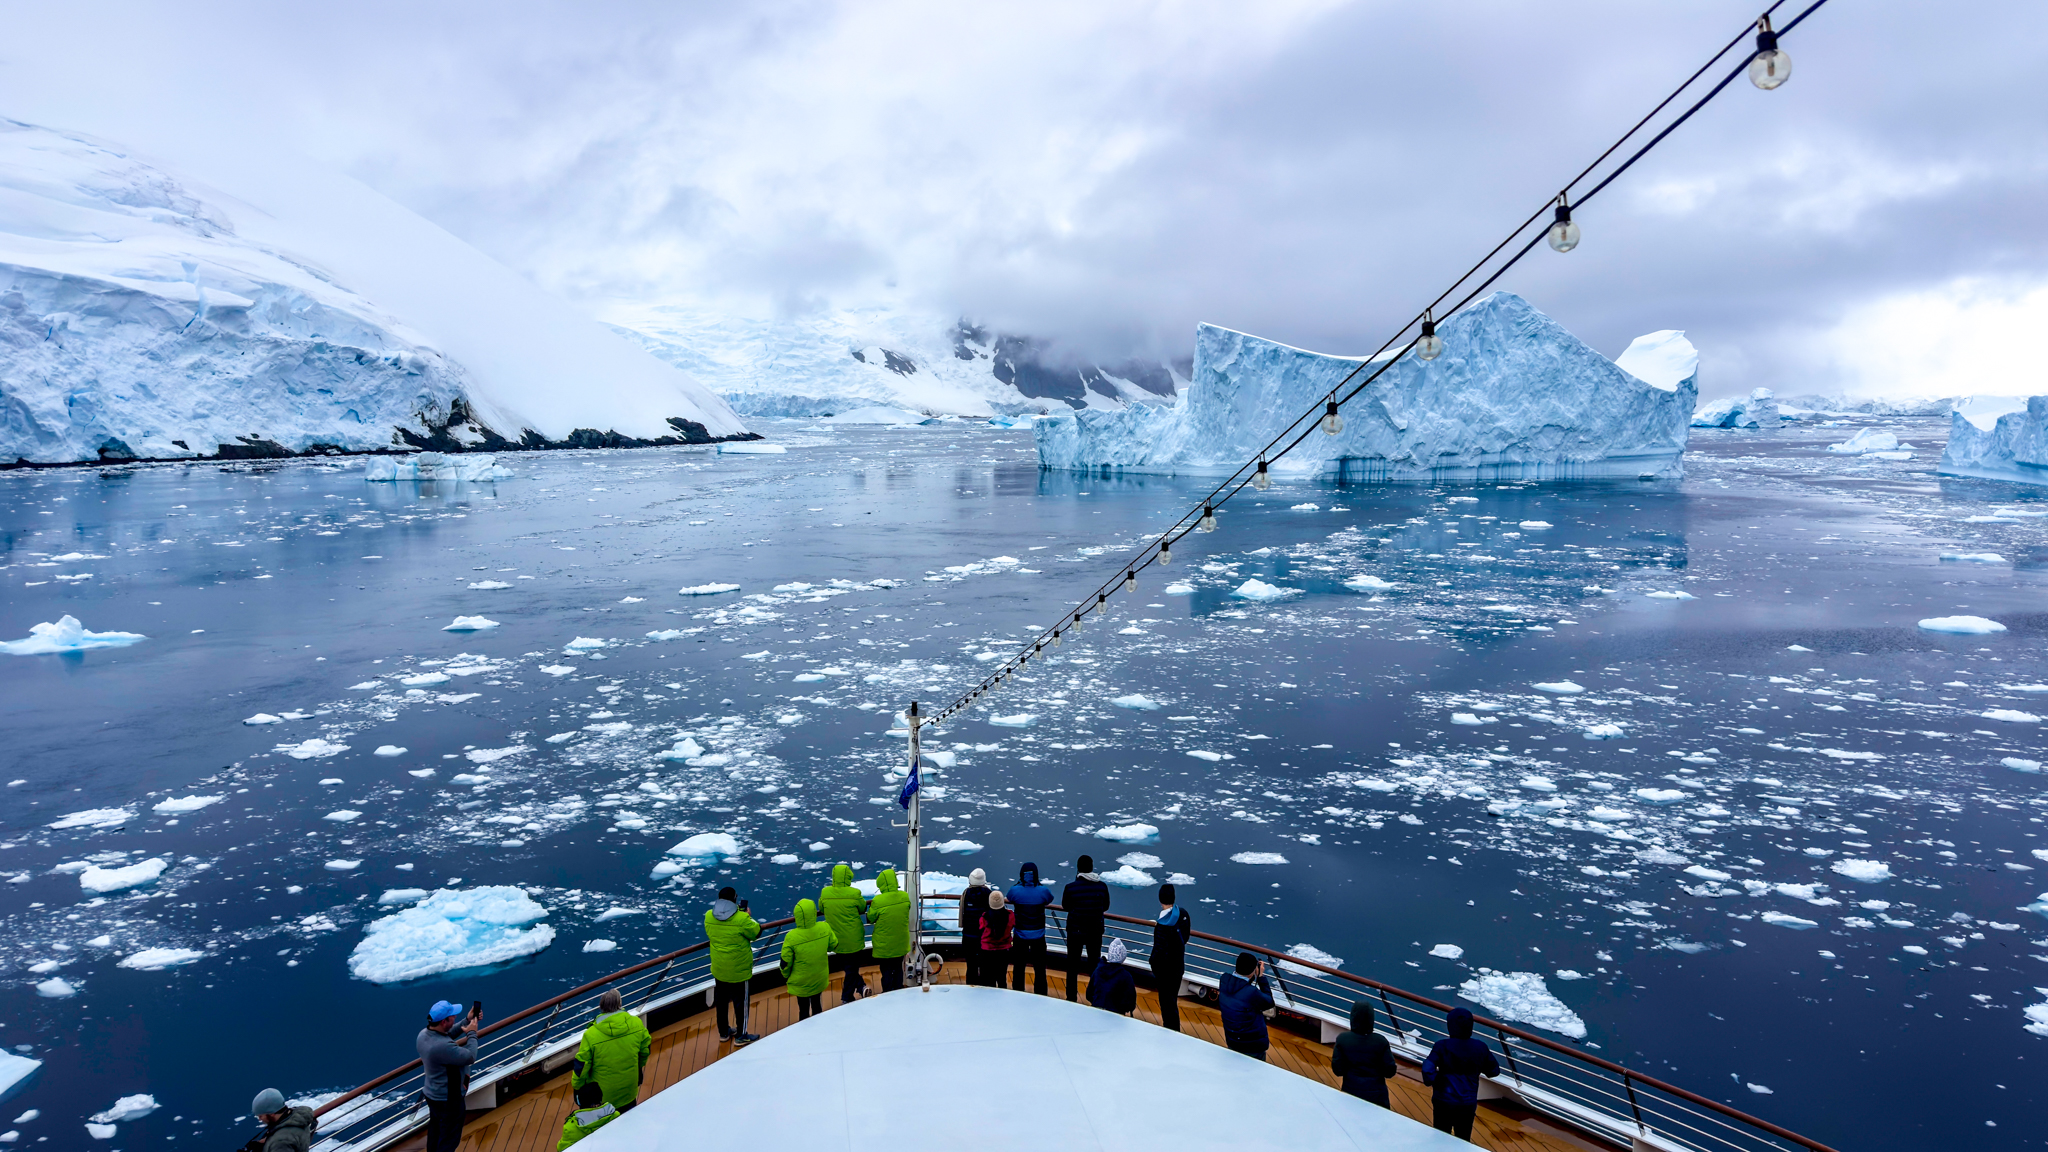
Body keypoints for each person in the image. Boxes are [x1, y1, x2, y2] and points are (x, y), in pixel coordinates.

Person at [1422, 1007, 1501, 1141]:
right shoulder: (1480, 1047)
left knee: (1440, 1136)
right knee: (1463, 1138)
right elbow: (1494, 1071)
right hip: (1467, 1103)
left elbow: (1427, 1069)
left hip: (1443, 1100)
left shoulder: (1442, 1046)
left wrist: (1435, 1082)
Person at [572, 989, 651, 1113]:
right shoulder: (637, 1024)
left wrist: (577, 1088)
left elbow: (581, 1069)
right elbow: (645, 1052)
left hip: (601, 1098)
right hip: (629, 1091)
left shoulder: (591, 1035)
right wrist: (638, 1069)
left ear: (601, 1007)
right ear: (620, 1004)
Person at [418, 999, 480, 1152]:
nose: (454, 1018)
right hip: (449, 1100)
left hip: (433, 1095)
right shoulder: (442, 1046)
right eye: (452, 1016)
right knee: (449, 1140)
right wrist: (472, 1033)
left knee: (436, 1131)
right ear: (444, 1021)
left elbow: (447, 1035)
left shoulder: (424, 1034)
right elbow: (469, 1056)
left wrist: (466, 1021)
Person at [706, 887, 763, 1043]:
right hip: (738, 969)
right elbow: (756, 933)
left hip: (719, 967)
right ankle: (741, 1035)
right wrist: (748, 916)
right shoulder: (742, 919)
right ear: (734, 900)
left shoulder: (709, 916)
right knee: (741, 1003)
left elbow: (711, 933)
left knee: (721, 1002)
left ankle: (724, 1033)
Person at [1060, 855, 1111, 1003]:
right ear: (1092, 867)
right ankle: (1095, 997)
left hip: (1075, 931)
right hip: (1095, 932)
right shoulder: (1102, 887)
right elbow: (1106, 906)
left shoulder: (1070, 888)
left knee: (1072, 966)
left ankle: (1071, 998)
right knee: (1094, 966)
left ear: (1078, 869)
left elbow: (1066, 906)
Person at [1331, 1000, 1399, 1108]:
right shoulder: (1381, 1041)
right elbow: (1389, 1071)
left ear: (1353, 1018)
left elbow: (1338, 1070)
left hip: (1350, 1091)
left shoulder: (1343, 1039)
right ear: (1371, 1019)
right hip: (1377, 1095)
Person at [820, 863, 872, 1002]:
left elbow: (821, 907)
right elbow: (862, 908)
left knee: (850, 967)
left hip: (836, 939)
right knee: (851, 969)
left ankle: (860, 987)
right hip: (853, 937)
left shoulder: (825, 892)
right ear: (848, 877)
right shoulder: (854, 893)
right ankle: (847, 996)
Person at [780, 897, 836, 1019]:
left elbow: (785, 962)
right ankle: (819, 1027)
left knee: (803, 1009)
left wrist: (786, 975)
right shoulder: (824, 928)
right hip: (819, 977)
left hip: (801, 982)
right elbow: (833, 944)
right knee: (817, 1004)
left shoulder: (791, 937)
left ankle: (806, 1032)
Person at [1005, 861, 1054, 994]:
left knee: (1019, 966)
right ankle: (1041, 993)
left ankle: (1018, 992)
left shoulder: (1015, 891)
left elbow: (1009, 898)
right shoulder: (1043, 891)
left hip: (1020, 934)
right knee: (1039, 968)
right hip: (1038, 935)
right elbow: (1049, 899)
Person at [1149, 883, 1192, 1032]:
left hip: (1164, 970)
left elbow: (1159, 951)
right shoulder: (1183, 914)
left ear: (1160, 899)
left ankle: (1171, 1031)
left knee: (1167, 1002)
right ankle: (1173, 1030)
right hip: (1177, 966)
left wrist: (1153, 964)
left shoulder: (1162, 925)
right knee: (1172, 999)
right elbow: (1185, 938)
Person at [1217, 951, 1275, 1061]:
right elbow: (1269, 1002)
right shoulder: (1251, 992)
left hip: (1232, 1040)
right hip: (1253, 1046)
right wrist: (1261, 977)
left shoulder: (1224, 980)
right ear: (1253, 971)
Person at [867, 867, 911, 992]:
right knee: (898, 969)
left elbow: (870, 918)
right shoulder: (904, 896)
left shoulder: (878, 901)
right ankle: (898, 991)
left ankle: (887, 994)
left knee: (886, 971)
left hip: (884, 945)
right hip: (900, 942)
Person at [245, 1089, 316, 1152]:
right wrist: (266, 1143)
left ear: (272, 1113)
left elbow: (283, 1141)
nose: (260, 1119)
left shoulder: (280, 1142)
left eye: (261, 1116)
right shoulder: (298, 1118)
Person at [556, 1081, 617, 1149]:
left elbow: (562, 1148)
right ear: (600, 1097)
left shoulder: (570, 1128)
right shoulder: (615, 1115)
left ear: (579, 1102)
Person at [1085, 937, 1137, 1015]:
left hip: (1096, 1010)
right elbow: (1130, 1002)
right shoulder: (1126, 976)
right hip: (1116, 1014)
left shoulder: (1098, 971)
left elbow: (1089, 994)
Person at [959, 868, 991, 986]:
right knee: (984, 964)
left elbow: (962, 911)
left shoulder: (966, 893)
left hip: (968, 934)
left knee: (971, 964)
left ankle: (971, 986)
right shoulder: (988, 894)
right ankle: (984, 987)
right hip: (984, 936)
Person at [979, 889, 1013, 984]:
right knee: (1002, 977)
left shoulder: (984, 917)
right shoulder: (1010, 916)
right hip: (1004, 950)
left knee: (988, 977)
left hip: (987, 951)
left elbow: (981, 928)